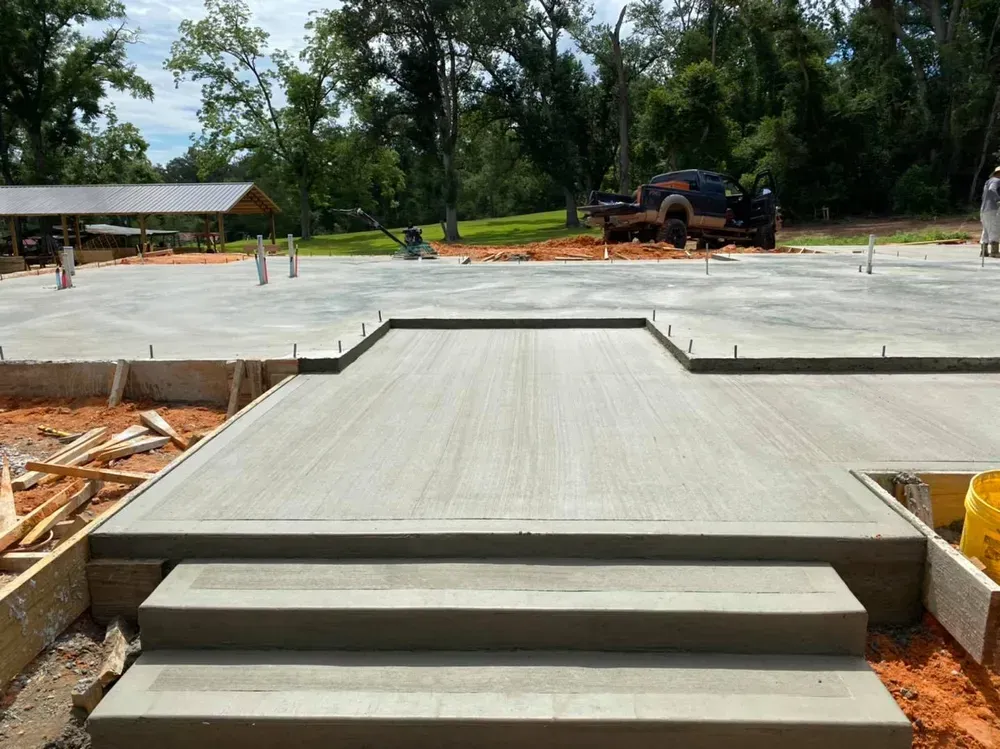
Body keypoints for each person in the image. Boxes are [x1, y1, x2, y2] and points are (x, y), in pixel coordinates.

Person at [982, 166, 1000, 258]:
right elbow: (992, 189)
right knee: (995, 228)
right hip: (993, 208)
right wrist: (998, 199)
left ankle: (983, 251)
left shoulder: (987, 181)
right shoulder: (996, 181)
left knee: (986, 229)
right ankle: (994, 252)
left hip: (984, 209)